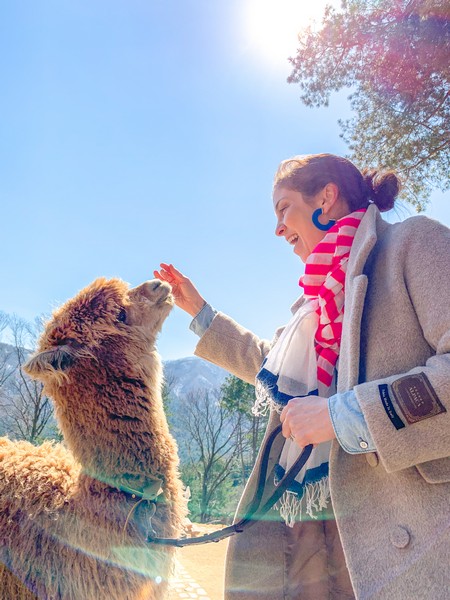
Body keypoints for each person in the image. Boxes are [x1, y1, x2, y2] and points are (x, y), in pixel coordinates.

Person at [154, 153, 450, 600]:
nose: (277, 229)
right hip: (314, 539)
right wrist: (200, 313)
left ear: (326, 198)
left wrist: (343, 416)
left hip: (405, 540)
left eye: (282, 208)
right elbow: (270, 368)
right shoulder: (309, 307)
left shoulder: (414, 244)